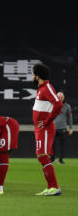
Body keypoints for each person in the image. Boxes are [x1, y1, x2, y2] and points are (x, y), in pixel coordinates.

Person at [32, 63, 62, 196]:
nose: (32, 76)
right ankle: (51, 187)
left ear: (37, 76)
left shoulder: (47, 87)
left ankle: (54, 187)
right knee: (42, 157)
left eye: (33, 74)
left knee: (43, 156)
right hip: (40, 129)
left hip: (45, 129)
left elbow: (58, 103)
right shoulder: (41, 88)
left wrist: (48, 121)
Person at [52, 92, 74, 164]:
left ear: (64, 98)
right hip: (53, 128)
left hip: (63, 129)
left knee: (62, 145)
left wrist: (71, 128)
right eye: (59, 97)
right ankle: (52, 159)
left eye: (61, 97)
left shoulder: (67, 106)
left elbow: (70, 118)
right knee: (52, 145)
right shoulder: (52, 105)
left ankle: (61, 160)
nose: (60, 98)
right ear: (56, 97)